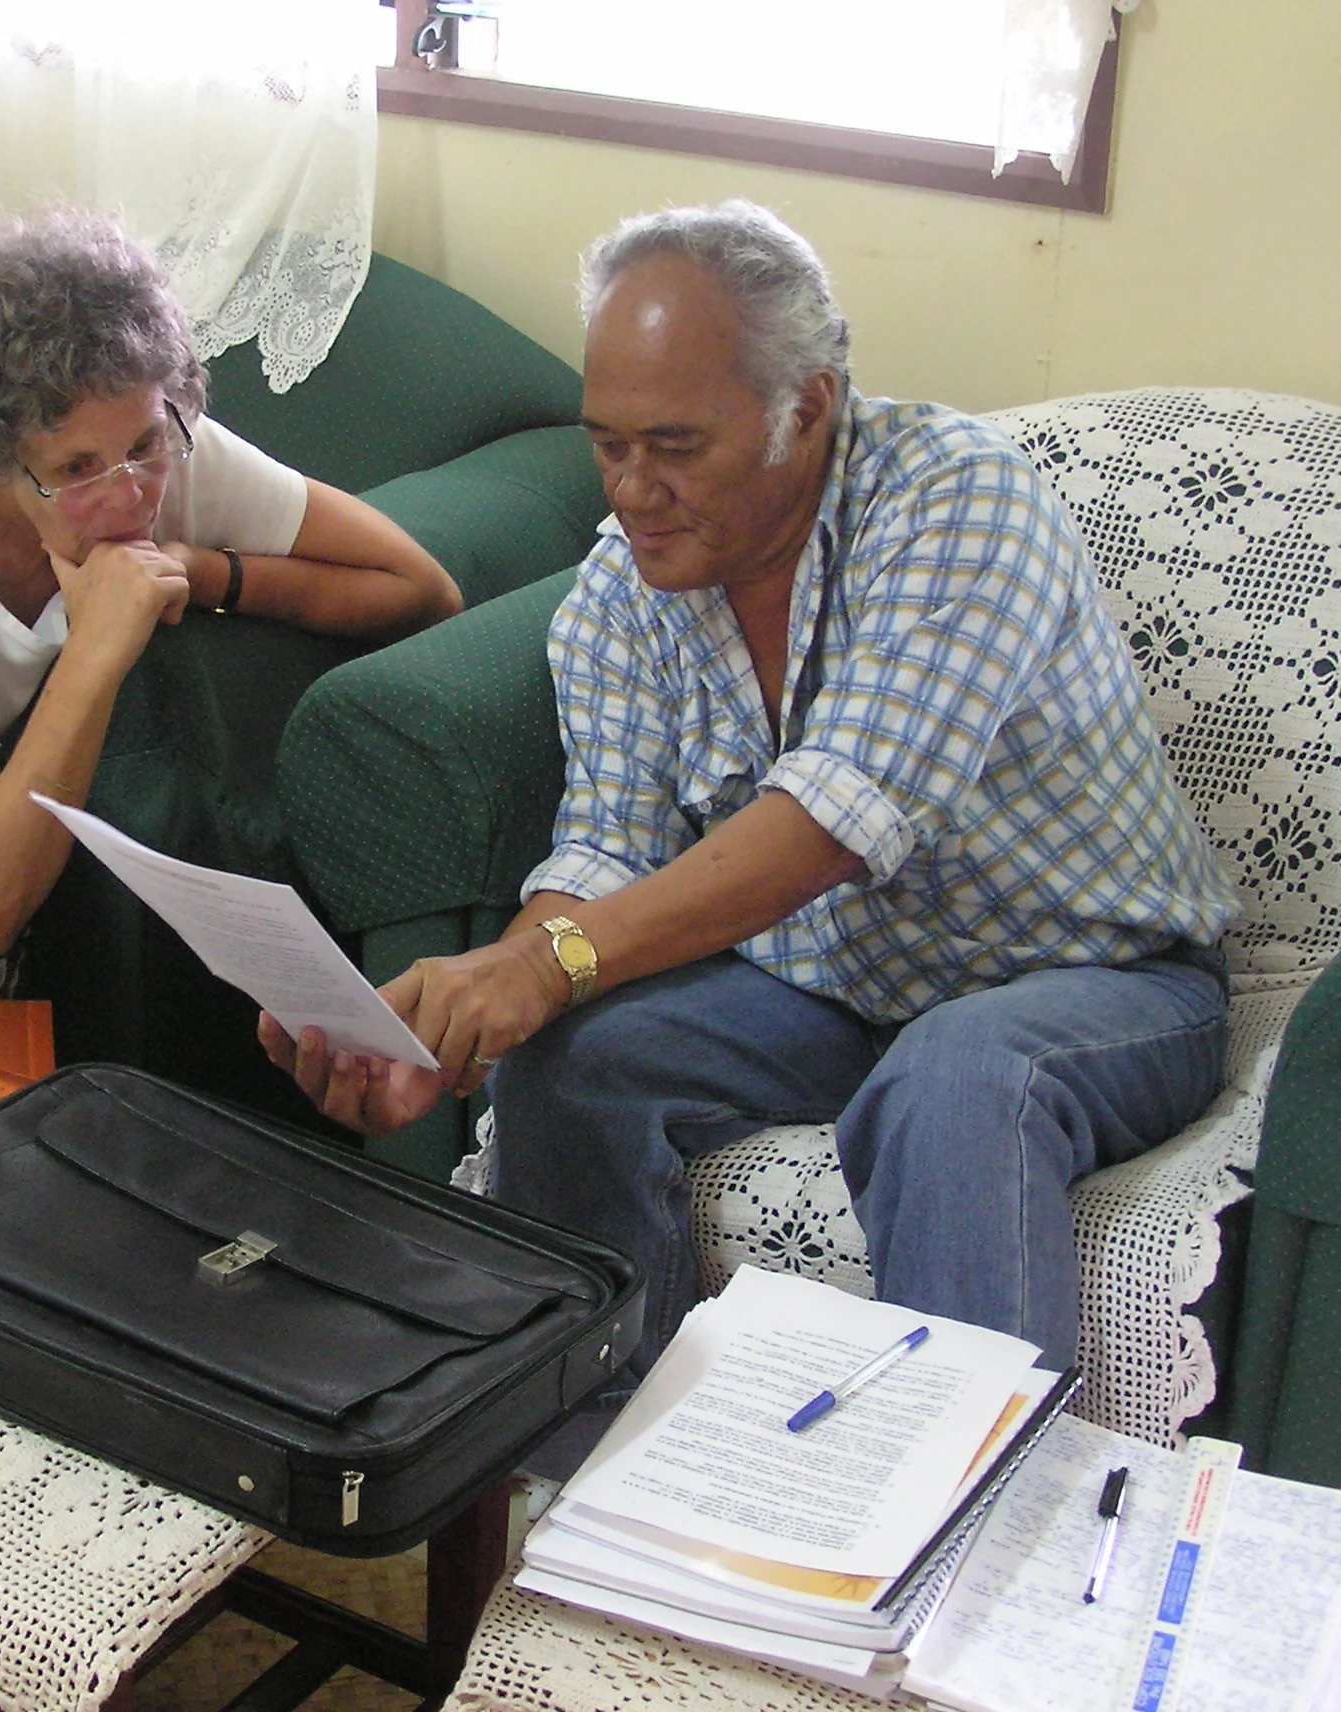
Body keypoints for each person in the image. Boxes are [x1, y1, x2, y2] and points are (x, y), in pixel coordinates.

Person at [262, 201, 1238, 1473]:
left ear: (809, 408)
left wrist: (539, 970)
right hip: (833, 983)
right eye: (606, 443)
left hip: (1095, 978)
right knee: (572, 1062)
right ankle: (598, 1487)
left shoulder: (954, 498)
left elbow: (831, 818)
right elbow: (601, 856)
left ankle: (938, 1551)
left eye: (674, 445)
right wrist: (464, 1026)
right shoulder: (622, 588)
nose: (630, 488)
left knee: (955, 1077)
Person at [0, 209, 460, 991]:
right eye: (74, 469)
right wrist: (98, 647)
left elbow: (422, 588)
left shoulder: (172, 446)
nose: (128, 495)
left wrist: (201, 573)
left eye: (142, 447)